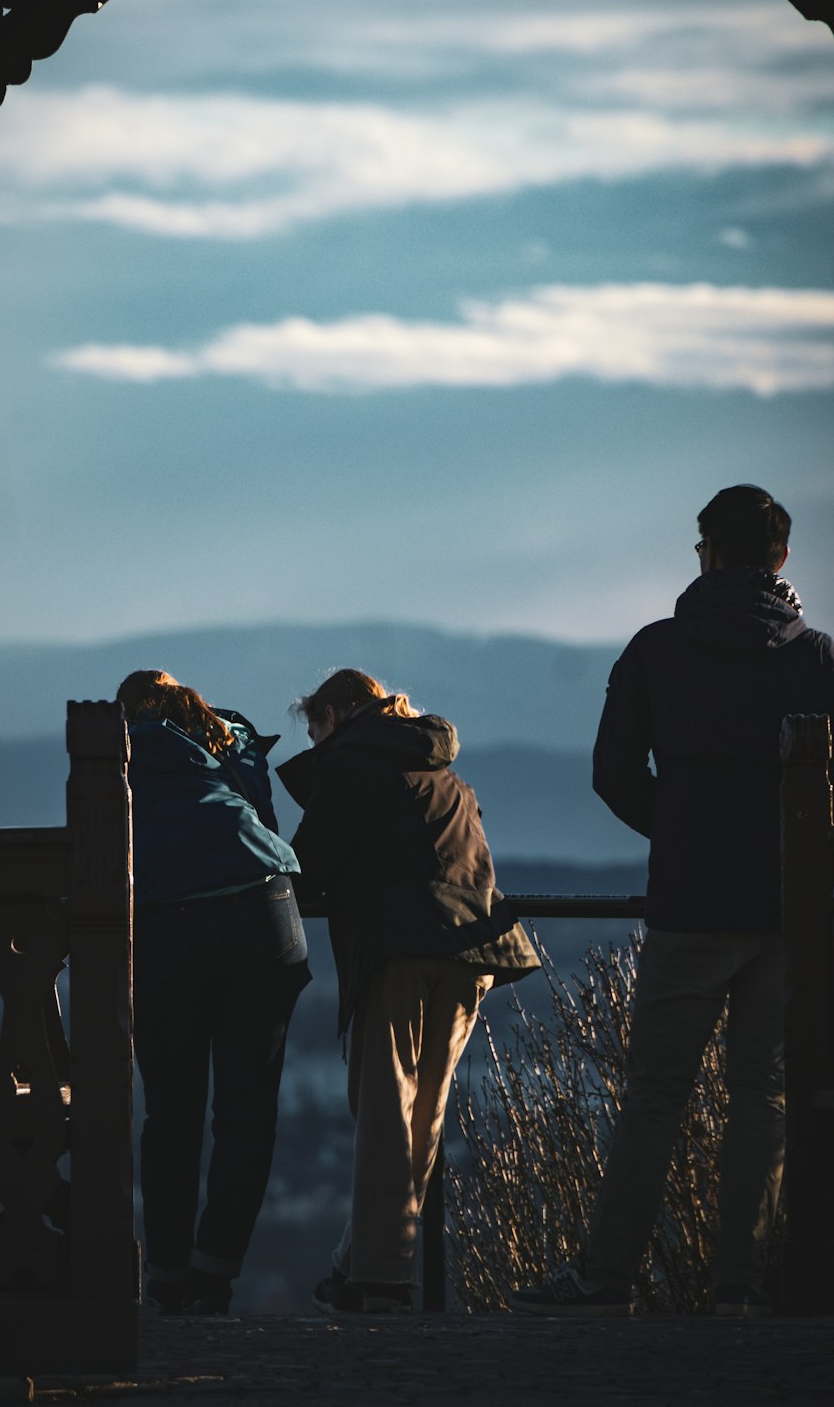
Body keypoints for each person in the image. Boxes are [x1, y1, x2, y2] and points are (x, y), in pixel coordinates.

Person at [510, 485, 834, 1320]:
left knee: (655, 1095)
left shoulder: (657, 651)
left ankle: (605, 1277)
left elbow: (611, 774)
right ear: (783, 559)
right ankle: (739, 1284)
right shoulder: (818, 660)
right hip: (787, 912)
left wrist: (682, 828)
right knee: (762, 1096)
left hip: (690, 902)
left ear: (706, 552)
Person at [277, 668, 539, 1315]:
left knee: (384, 1109)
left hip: (397, 946)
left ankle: (382, 1279)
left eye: (313, 733)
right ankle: (361, 1264)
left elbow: (308, 866)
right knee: (422, 1118)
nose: (314, 748)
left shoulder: (350, 762)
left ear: (333, 717)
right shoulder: (443, 771)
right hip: (470, 949)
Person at [119, 669, 310, 1316]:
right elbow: (263, 822)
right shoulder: (231, 739)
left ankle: (167, 1276)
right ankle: (212, 1276)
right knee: (246, 1110)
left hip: (168, 921)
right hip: (266, 913)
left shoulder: (118, 750)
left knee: (171, 1112)